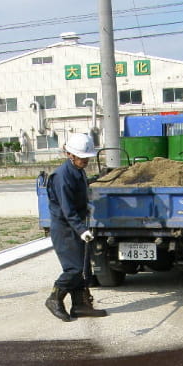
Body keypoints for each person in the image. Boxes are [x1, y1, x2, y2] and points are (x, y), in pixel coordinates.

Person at [44, 133, 107, 321]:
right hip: (65, 228)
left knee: (84, 268)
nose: (85, 160)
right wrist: (81, 230)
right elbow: (67, 209)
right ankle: (54, 298)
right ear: (69, 154)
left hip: (75, 225)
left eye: (87, 157)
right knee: (74, 268)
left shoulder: (78, 171)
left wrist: (97, 178)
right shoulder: (61, 176)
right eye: (82, 157)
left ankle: (80, 305)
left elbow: (79, 189)